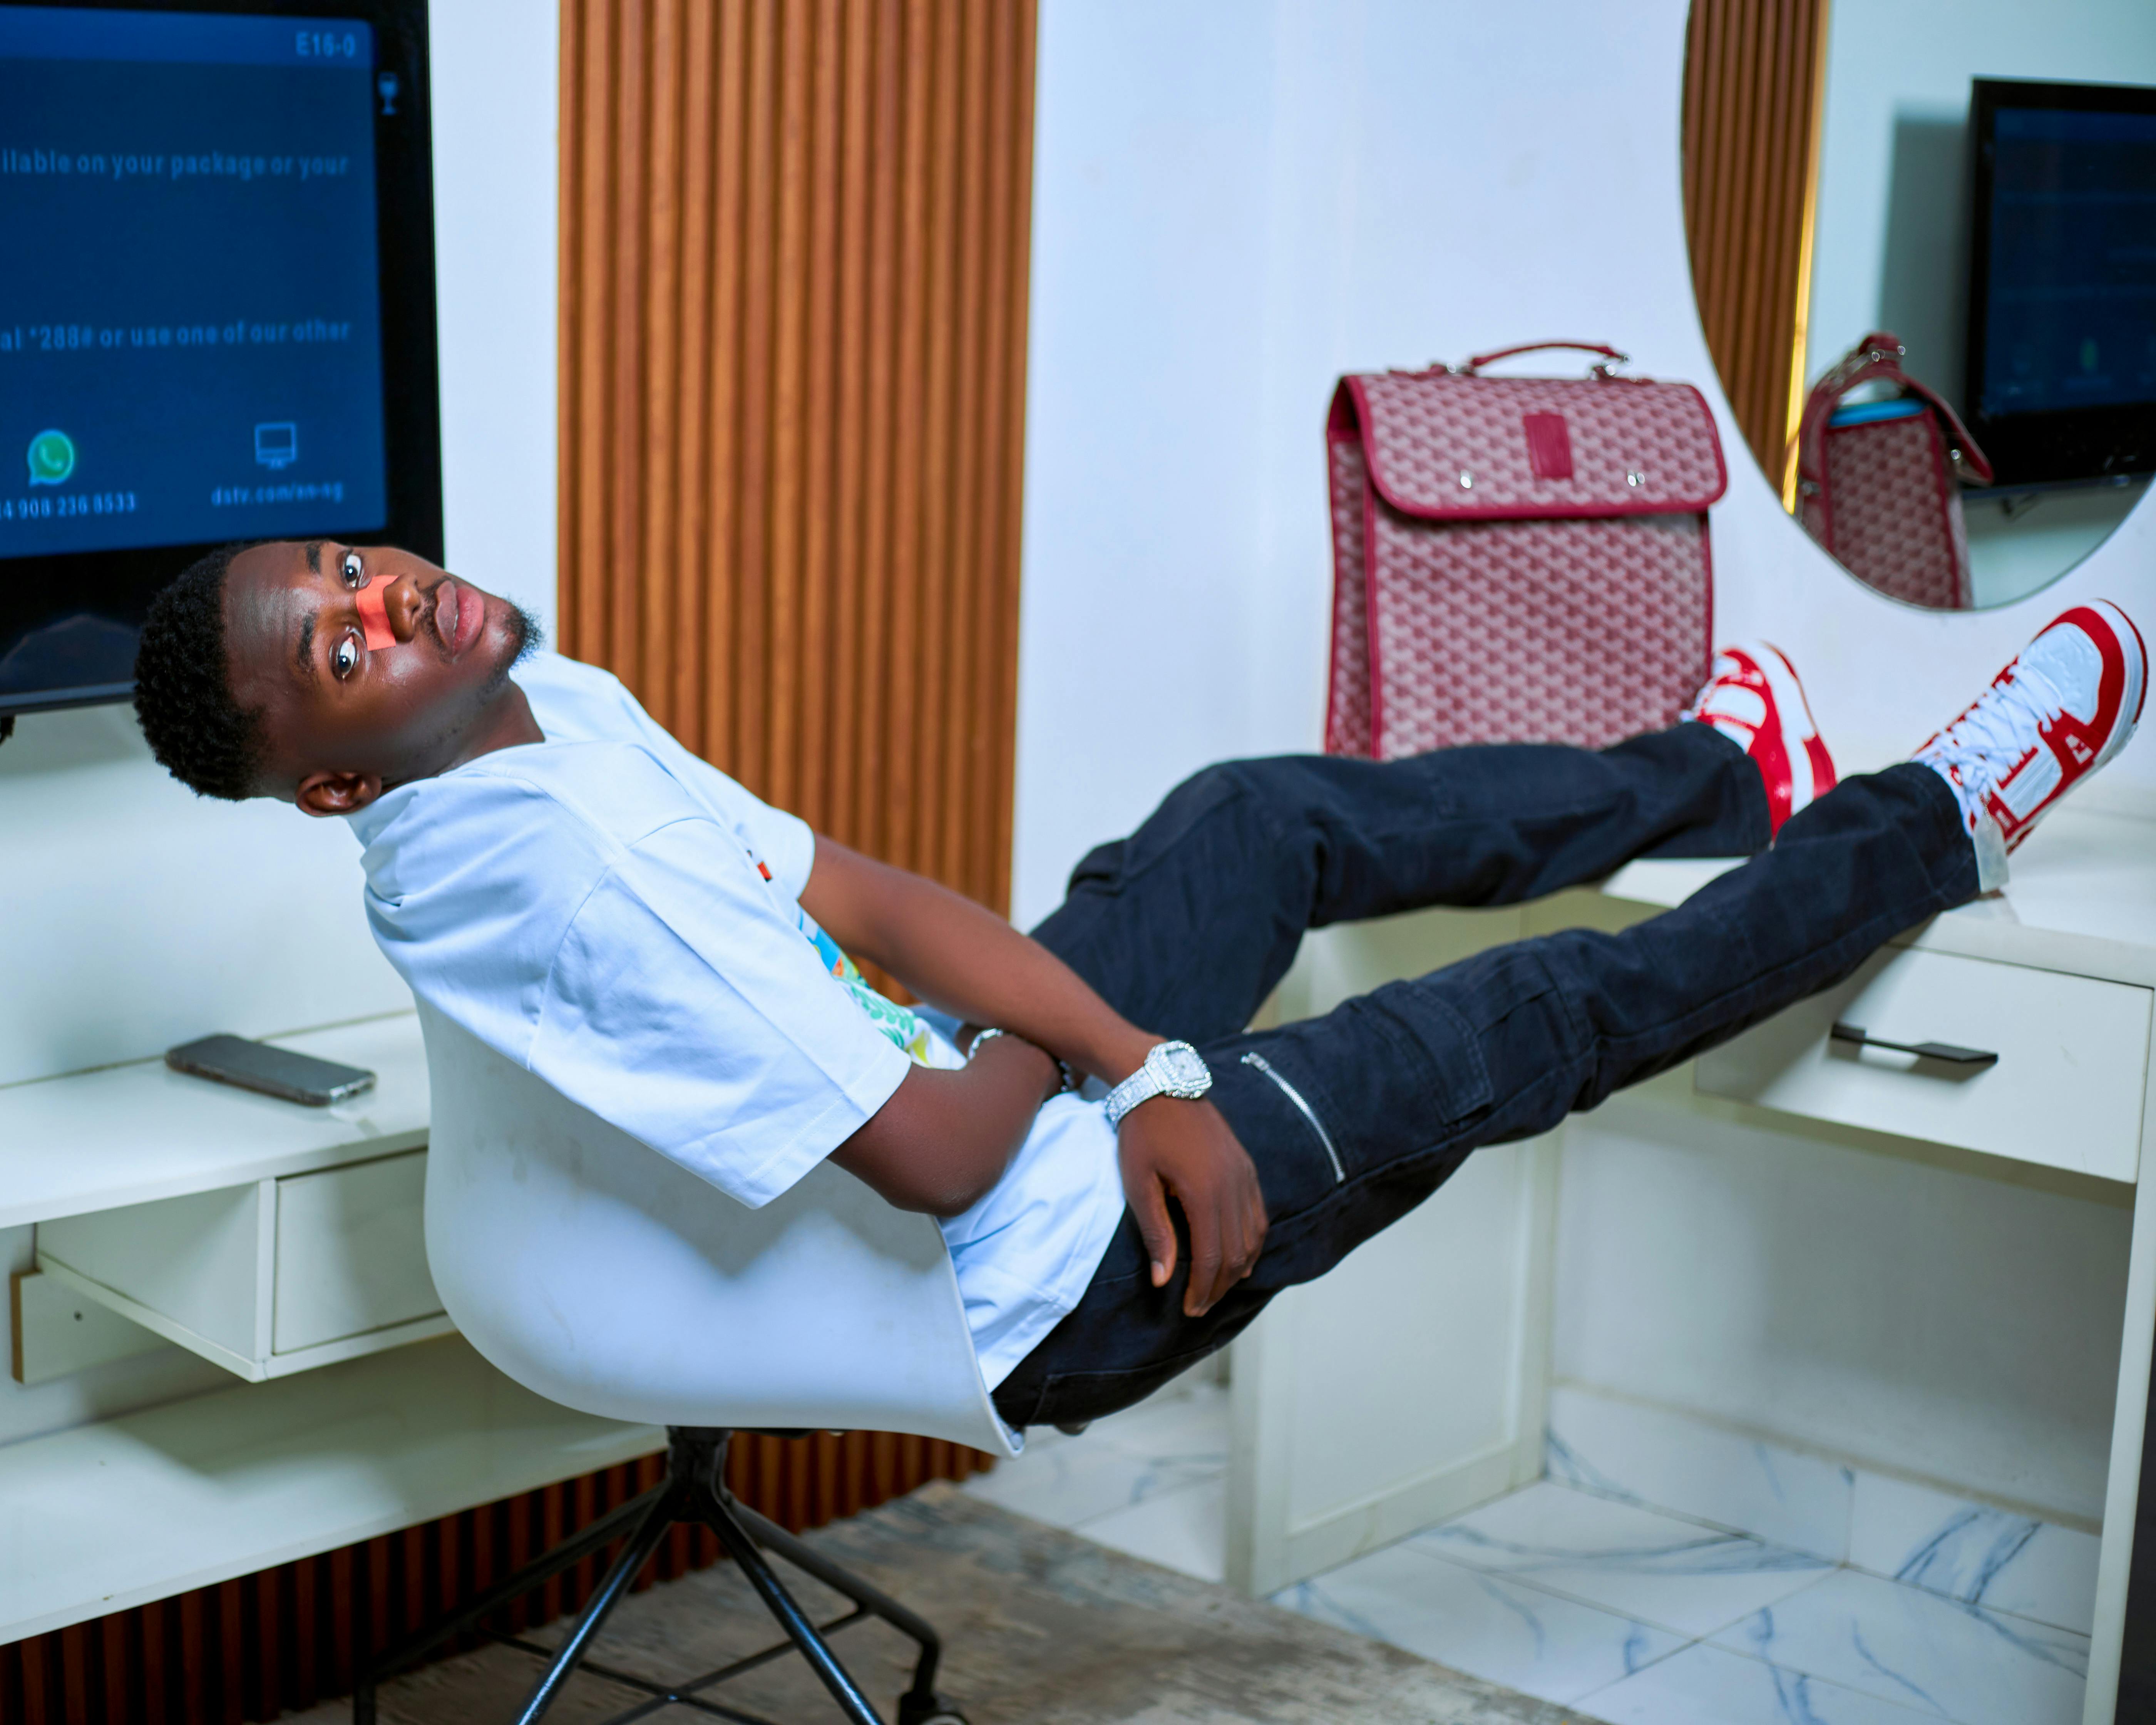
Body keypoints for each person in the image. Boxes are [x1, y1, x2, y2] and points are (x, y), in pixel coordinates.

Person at [129, 539, 2145, 1433]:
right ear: (334, 771)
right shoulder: (554, 879)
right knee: (1548, 1009)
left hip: (1006, 1107)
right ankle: (1941, 813)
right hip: (1040, 1279)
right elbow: (929, 1153)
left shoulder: (523, 702)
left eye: (352, 561)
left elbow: (872, 891)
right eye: (340, 644)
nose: (388, 594)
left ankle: (1722, 769)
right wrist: (1134, 1079)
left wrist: (1142, 1050)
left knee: (1246, 820)